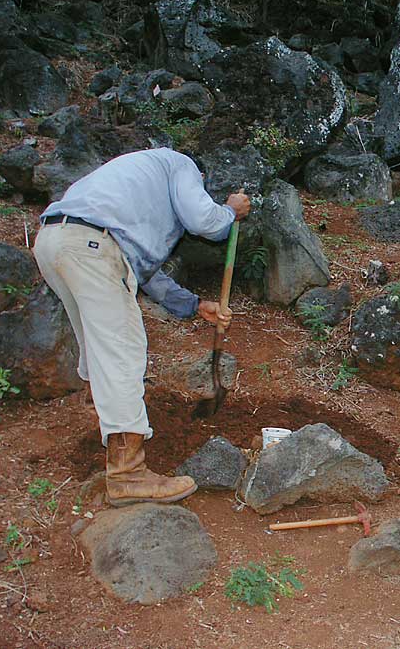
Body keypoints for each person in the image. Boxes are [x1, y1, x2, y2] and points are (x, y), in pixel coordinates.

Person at [32, 148, 251, 507]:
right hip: (90, 246)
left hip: (56, 241)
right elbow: (205, 222)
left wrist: (195, 305)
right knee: (122, 352)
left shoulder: (128, 185)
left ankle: (104, 425)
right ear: (199, 178)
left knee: (97, 343)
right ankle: (127, 474)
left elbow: (138, 269)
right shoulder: (181, 164)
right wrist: (231, 210)